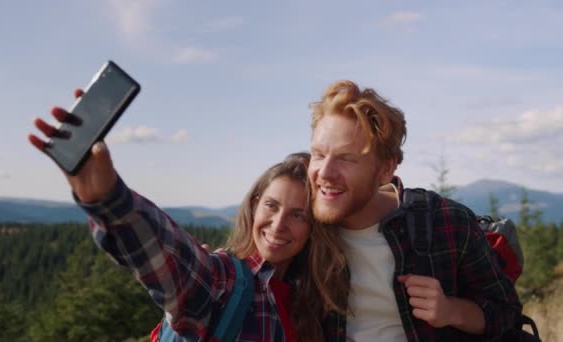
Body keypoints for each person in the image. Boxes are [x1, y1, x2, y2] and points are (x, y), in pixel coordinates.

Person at [28, 97, 348, 342]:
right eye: (271, 205)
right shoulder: (223, 281)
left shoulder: (312, 304)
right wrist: (109, 199)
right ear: (253, 205)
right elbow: (170, 255)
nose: (278, 224)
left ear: (314, 228)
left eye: (297, 215)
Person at [308, 80, 522, 341]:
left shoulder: (446, 222)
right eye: (318, 155)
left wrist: (451, 311)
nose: (325, 173)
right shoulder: (303, 229)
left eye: (346, 159)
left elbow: (506, 313)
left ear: (385, 170)